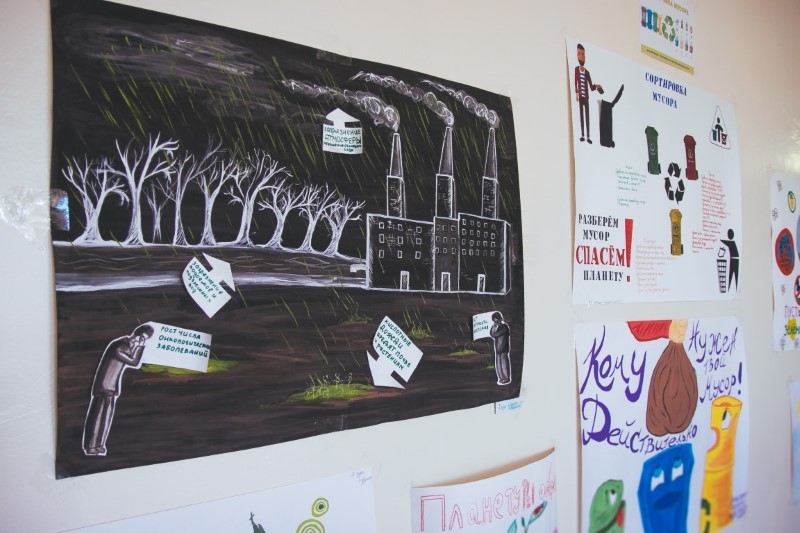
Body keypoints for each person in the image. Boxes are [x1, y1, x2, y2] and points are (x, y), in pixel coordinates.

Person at [82, 323, 154, 456]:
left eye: (143, 340)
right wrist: (141, 346)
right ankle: (91, 446)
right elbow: (134, 362)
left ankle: (99, 444)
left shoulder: (127, 345)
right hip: (104, 385)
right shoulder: (121, 344)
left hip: (110, 386)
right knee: (98, 417)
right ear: (136, 333)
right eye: (141, 338)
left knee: (106, 417)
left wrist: (138, 345)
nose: (140, 341)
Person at [574, 43, 604, 144]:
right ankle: (582, 135)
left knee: (587, 116)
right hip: (580, 97)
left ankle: (588, 136)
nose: (582, 56)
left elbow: (591, 87)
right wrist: (576, 93)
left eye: (583, 54)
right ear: (577, 55)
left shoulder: (587, 73)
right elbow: (575, 82)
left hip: (586, 98)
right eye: (580, 54)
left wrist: (597, 86)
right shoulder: (576, 70)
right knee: (581, 115)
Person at [489, 312, 511, 385]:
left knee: (504, 364)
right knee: (498, 364)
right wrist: (494, 327)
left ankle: (506, 378)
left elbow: (495, 334)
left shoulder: (504, 326)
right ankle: (501, 378)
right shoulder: (497, 327)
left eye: (496, 320)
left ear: (500, 319)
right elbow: (492, 334)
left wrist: (494, 327)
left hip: (503, 348)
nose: (496, 322)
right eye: (494, 320)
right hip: (498, 349)